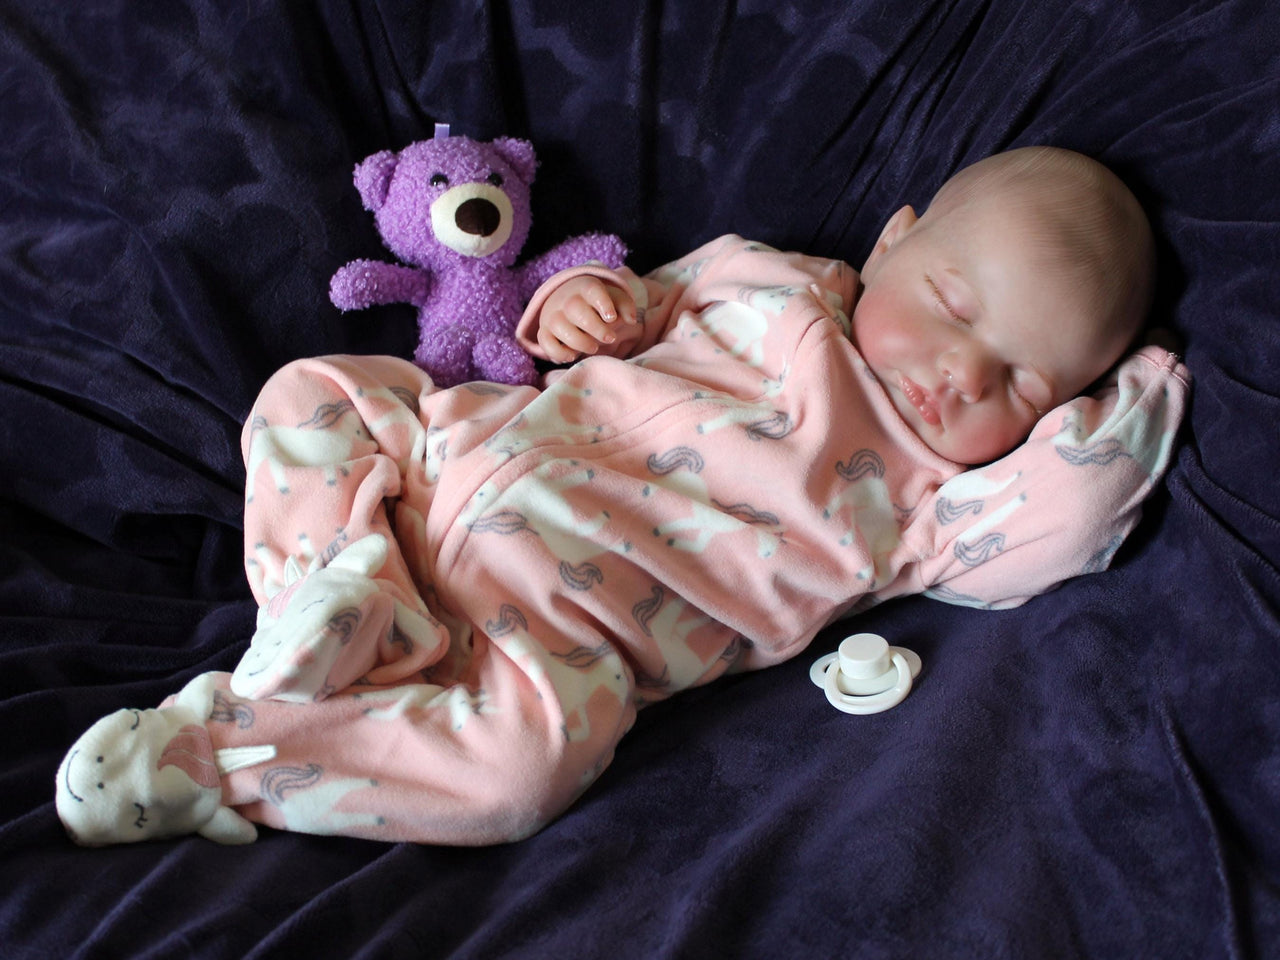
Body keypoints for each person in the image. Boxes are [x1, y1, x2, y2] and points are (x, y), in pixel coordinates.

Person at [55, 146, 1188, 847]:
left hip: (538, 639)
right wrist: (583, 306)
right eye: (948, 301)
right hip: (452, 455)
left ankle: (227, 757)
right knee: (313, 394)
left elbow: (1065, 520)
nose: (958, 371)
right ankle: (331, 592)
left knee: (518, 777)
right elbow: (614, 308)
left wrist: (1138, 386)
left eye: (1021, 380)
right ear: (895, 241)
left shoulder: (931, 505)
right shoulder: (766, 276)